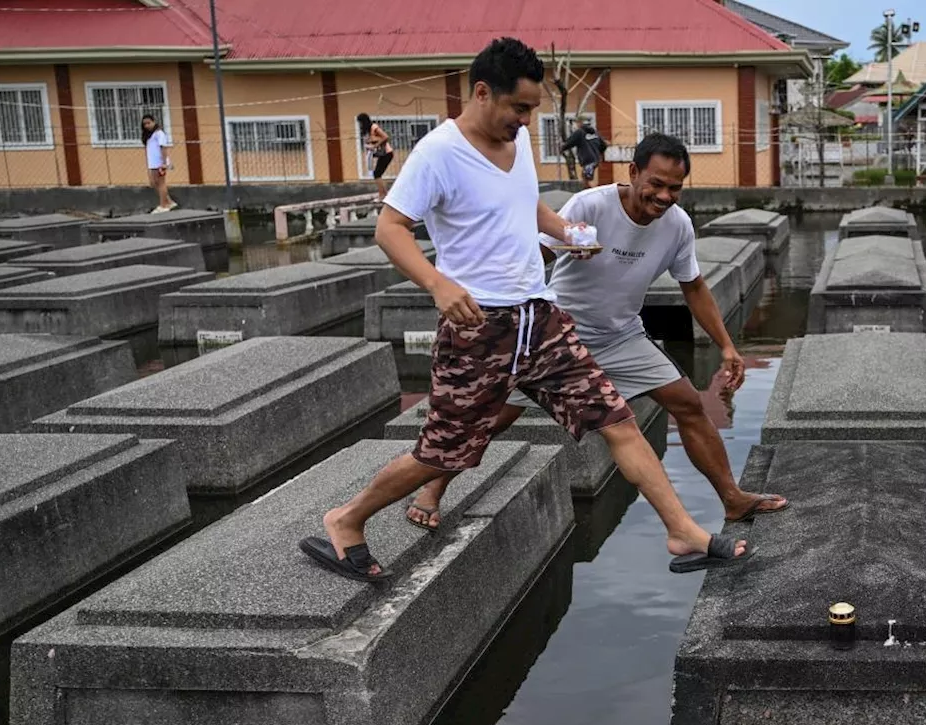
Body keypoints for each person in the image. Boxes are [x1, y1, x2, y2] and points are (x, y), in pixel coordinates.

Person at [299, 38, 747, 583]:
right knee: (445, 454)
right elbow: (389, 228)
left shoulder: (518, 143)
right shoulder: (440, 153)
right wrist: (438, 284)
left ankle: (682, 532)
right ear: (483, 92)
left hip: (542, 319)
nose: (526, 119)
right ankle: (346, 519)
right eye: (519, 108)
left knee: (619, 421)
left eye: (531, 109)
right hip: (477, 327)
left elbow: (526, 204)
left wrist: (565, 231)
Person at [407, 132, 788, 532]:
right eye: (655, 184)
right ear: (634, 172)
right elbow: (536, 253)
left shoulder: (678, 226)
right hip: (556, 336)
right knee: (490, 416)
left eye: (674, 188)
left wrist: (727, 346)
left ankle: (732, 499)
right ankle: (432, 488)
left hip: (622, 337)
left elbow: (693, 286)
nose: (663, 196)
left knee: (688, 403)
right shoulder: (591, 204)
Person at [141, 114, 176, 214]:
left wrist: (164, 163)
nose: (147, 125)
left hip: (160, 163)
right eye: (144, 124)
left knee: (161, 183)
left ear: (154, 122)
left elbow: (163, 148)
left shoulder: (159, 133)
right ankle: (168, 201)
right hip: (153, 163)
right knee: (154, 183)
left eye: (149, 123)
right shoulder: (149, 135)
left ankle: (163, 205)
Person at [357, 112, 394, 200]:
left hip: (387, 153)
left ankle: (382, 195)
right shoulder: (367, 132)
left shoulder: (374, 127)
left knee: (377, 173)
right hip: (381, 154)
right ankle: (384, 193)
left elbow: (385, 137)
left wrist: (375, 145)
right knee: (377, 173)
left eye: (361, 122)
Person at [561, 120, 607, 188]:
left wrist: (562, 148)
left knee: (587, 179)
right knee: (586, 177)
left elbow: (570, 142)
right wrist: (598, 154)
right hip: (595, 160)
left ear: (580, 124)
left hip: (587, 159)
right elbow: (604, 145)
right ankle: (589, 192)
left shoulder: (579, 132)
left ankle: (592, 194)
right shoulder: (595, 133)